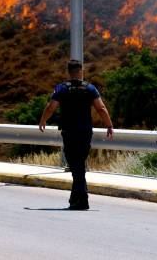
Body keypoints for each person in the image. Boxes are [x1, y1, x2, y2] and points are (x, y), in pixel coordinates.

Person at [39, 60, 114, 210]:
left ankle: (81, 199)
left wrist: (43, 120)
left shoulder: (61, 88)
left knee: (76, 165)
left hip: (69, 132)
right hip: (85, 132)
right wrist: (109, 124)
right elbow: (101, 108)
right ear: (81, 71)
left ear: (68, 72)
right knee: (79, 164)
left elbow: (51, 107)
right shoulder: (90, 88)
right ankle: (77, 199)